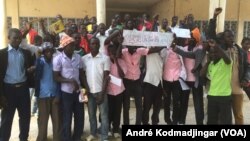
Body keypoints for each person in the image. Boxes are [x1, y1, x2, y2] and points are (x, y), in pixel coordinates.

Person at [0, 28, 35, 141]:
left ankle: (23, 139)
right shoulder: (2, 54)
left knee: (25, 118)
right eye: (15, 38)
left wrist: (30, 70)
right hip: (8, 90)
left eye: (19, 38)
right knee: (6, 119)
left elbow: (28, 68)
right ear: (8, 38)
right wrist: (1, 95)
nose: (18, 40)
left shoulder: (26, 53)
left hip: (23, 90)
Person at [53, 35, 86, 141]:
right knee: (67, 118)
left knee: (80, 117)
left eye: (73, 45)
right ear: (65, 46)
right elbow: (56, 77)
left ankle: (77, 137)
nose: (73, 48)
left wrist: (86, 89)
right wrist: (70, 80)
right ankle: (66, 138)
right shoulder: (58, 59)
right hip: (66, 92)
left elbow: (82, 75)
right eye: (71, 46)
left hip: (79, 91)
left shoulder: (78, 57)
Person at [82, 37, 110, 141]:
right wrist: (86, 90)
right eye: (92, 44)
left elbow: (106, 77)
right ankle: (93, 133)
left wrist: (102, 93)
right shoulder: (84, 59)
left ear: (99, 45)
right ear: (89, 45)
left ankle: (104, 136)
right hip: (89, 92)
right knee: (91, 115)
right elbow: (83, 76)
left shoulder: (105, 58)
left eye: (96, 44)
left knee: (104, 116)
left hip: (101, 91)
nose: (94, 46)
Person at [200, 39, 232, 124]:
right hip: (212, 96)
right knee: (211, 121)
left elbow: (227, 59)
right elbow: (202, 75)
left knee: (225, 121)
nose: (213, 54)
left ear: (220, 53)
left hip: (224, 96)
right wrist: (207, 62)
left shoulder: (226, 63)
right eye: (211, 53)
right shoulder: (210, 64)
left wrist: (216, 46)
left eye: (215, 52)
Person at [35, 42, 61, 141]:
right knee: (43, 121)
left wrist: (58, 95)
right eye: (46, 51)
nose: (49, 53)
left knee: (57, 121)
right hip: (43, 96)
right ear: (43, 52)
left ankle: (57, 139)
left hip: (55, 95)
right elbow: (37, 75)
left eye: (50, 51)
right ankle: (41, 139)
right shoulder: (40, 62)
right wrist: (39, 55)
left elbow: (59, 79)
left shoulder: (56, 62)